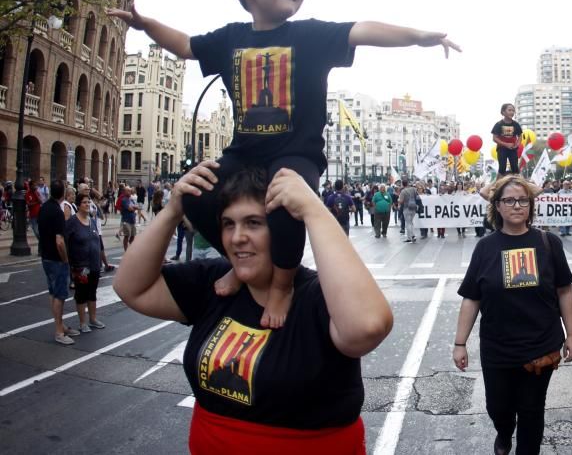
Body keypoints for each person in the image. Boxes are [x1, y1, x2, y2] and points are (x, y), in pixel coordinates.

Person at [111, 0, 459, 328]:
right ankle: (236, 263)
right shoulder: (229, 39)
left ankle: (280, 285)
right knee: (196, 195)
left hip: (297, 153)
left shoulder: (309, 35)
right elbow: (184, 45)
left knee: (284, 208)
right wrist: (145, 25)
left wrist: (418, 36)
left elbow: (364, 30)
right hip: (244, 152)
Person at [113, 162, 393, 452]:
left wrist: (312, 209)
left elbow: (367, 326)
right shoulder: (214, 282)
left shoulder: (318, 297)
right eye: (228, 224)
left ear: (282, 230)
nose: (237, 237)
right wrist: (173, 210)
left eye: (253, 223)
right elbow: (131, 287)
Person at [453, 175, 572, 455]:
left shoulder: (549, 243)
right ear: (496, 206)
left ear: (531, 206)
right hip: (497, 347)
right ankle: (504, 430)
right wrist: (460, 342)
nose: (517, 205)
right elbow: (472, 297)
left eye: (523, 200)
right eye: (509, 200)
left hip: (541, 345)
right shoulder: (485, 247)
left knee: (532, 411)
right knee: (498, 407)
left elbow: (564, 291)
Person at [38, 180, 79, 345]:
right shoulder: (57, 212)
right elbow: (60, 241)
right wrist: (65, 259)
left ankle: (60, 325)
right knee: (60, 295)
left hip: (46, 256)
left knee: (53, 292)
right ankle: (59, 331)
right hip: (56, 258)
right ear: (62, 194)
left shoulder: (44, 208)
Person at [65, 190, 106, 333]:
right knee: (81, 294)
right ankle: (83, 322)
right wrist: (69, 263)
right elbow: (66, 241)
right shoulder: (73, 222)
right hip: (80, 265)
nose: (88, 204)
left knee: (92, 292)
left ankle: (93, 319)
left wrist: (101, 259)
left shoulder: (92, 220)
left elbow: (98, 240)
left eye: (89, 202)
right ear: (78, 204)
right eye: (84, 202)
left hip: (94, 264)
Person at [492, 104, 523, 176]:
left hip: (512, 149)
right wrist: (505, 144)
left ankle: (518, 182)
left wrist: (517, 144)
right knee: (502, 167)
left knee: (515, 167)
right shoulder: (498, 124)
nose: (512, 112)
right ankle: (498, 183)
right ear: (503, 112)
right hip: (502, 149)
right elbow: (494, 138)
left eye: (513, 110)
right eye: (509, 110)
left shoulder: (516, 124)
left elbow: (520, 135)